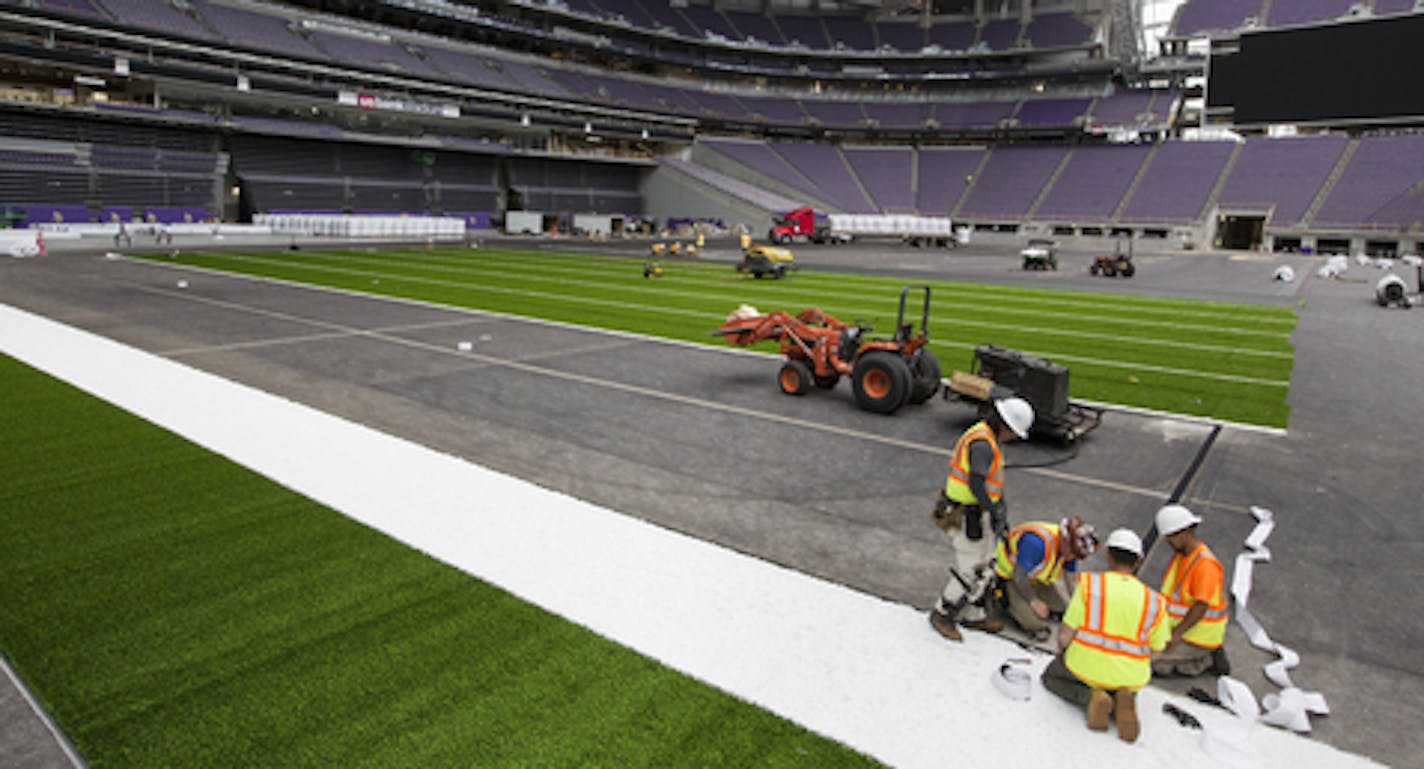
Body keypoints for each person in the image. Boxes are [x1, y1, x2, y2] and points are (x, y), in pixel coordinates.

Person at [1041, 528, 1168, 743]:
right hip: (1130, 676)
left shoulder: (1089, 586)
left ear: (1109, 556)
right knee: (1125, 685)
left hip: (1086, 667)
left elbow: (1065, 634)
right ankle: (1124, 699)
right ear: (1138, 562)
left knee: (1051, 678)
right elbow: (1157, 651)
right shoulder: (1155, 601)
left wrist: (1063, 651)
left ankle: (1091, 697)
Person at [927, 397, 1034, 642]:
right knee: (969, 569)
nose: (1014, 437)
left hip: (977, 512)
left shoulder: (988, 439)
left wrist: (998, 511)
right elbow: (976, 482)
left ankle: (972, 614)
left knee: (987, 564)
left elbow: (990, 483)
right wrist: (994, 509)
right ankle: (942, 613)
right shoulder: (982, 444)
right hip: (966, 514)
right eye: (1014, 432)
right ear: (1004, 424)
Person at [1152, 504, 1231, 677]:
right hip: (1181, 630)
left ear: (1185, 532)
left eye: (1171, 537)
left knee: (1152, 663)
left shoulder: (1205, 565)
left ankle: (1204, 659)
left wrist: (1176, 633)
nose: (1168, 542)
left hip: (1196, 638)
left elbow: (1200, 606)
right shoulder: (1182, 556)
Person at [991, 516, 1099, 640]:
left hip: (1034, 579)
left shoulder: (1070, 548)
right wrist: (1034, 602)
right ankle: (1005, 603)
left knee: (1064, 610)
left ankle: (1032, 604)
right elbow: (1019, 576)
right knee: (1036, 625)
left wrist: (1081, 608)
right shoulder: (1036, 544)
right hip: (1010, 577)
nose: (1071, 557)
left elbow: (1072, 580)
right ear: (1064, 540)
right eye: (1071, 553)